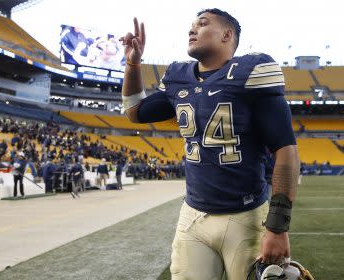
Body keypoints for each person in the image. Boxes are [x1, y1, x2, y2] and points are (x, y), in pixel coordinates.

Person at [120, 9, 299, 280]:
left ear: (227, 35)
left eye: (202, 24)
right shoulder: (179, 77)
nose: (192, 30)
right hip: (193, 215)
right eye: (191, 25)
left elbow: (286, 150)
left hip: (247, 216)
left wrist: (277, 226)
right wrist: (133, 65)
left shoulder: (252, 71)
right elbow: (135, 111)